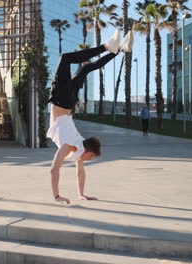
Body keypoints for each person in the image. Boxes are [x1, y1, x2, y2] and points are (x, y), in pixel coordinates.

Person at [47, 29, 134, 205]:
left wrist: (62, 196)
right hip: (63, 102)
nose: (90, 159)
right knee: (77, 64)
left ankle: (118, 49)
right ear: (86, 150)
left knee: (75, 63)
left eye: (90, 157)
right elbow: (79, 172)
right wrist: (80, 194)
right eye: (91, 156)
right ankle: (114, 48)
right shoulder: (77, 147)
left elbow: (54, 169)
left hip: (64, 101)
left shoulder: (69, 147)